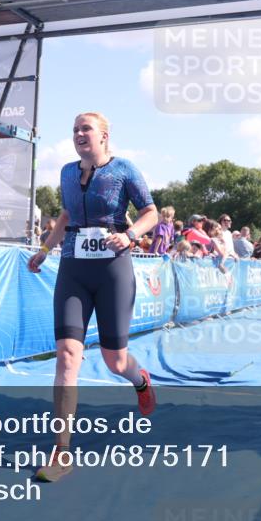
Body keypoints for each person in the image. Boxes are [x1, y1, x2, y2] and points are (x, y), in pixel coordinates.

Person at [26, 112, 158, 483]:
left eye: (86, 129)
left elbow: (152, 213)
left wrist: (131, 236)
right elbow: (67, 213)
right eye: (74, 130)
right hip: (73, 268)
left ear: (104, 135)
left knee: (115, 361)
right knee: (68, 357)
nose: (79, 135)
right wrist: (46, 250)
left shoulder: (124, 169)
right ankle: (62, 450)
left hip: (113, 268)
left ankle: (141, 380)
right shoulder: (68, 173)